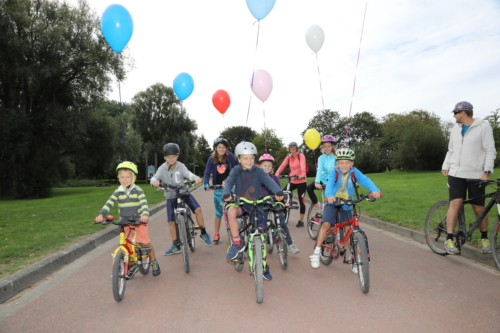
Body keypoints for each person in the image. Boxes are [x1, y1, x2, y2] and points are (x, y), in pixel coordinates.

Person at [309, 148, 381, 273]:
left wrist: (375, 190)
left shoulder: (354, 172)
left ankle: (354, 258)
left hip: (346, 203)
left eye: (347, 162)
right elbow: (330, 184)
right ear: (337, 163)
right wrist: (330, 195)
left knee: (348, 229)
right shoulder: (334, 171)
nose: (344, 165)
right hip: (332, 201)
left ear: (352, 163)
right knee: (326, 224)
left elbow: (365, 180)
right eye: (341, 162)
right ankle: (316, 252)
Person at [223, 142, 284, 281]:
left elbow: (269, 182)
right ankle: (237, 243)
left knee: (261, 236)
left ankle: (264, 266)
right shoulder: (235, 171)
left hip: (256, 206)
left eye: (251, 158)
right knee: (231, 211)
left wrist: (278, 191)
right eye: (245, 158)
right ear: (239, 159)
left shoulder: (259, 171)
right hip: (241, 204)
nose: (249, 161)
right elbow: (228, 183)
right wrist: (226, 193)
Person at [441, 101, 496, 254]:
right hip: (456, 174)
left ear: (463, 113)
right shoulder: (454, 130)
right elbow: (450, 150)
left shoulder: (483, 127)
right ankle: (449, 239)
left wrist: (487, 172)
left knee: (479, 208)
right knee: (456, 204)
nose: (454, 115)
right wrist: (446, 166)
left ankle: (485, 239)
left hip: (476, 175)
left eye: (455, 113)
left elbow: (490, 150)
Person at [95, 162, 161, 278]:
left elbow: (144, 204)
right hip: (124, 221)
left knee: (145, 242)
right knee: (127, 244)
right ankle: (132, 264)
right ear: (118, 178)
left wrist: (145, 214)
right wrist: (101, 214)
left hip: (139, 220)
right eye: (122, 177)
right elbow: (109, 203)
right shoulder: (118, 191)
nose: (124, 179)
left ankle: (154, 261)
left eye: (127, 176)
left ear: (133, 178)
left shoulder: (138, 190)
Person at [151, 143, 212, 255]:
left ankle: (203, 233)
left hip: (183, 192)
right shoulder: (162, 168)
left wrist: (196, 178)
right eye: (168, 157)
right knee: (170, 221)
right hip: (171, 195)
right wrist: (154, 181)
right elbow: (155, 177)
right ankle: (176, 244)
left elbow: (188, 174)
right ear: (164, 157)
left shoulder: (181, 166)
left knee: (198, 209)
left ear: (177, 156)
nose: (171, 159)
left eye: (174, 156)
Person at [258, 153, 300, 254]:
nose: (267, 167)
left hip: (274, 202)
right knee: (261, 223)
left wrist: (283, 206)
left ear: (272, 167)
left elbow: (279, 192)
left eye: (269, 165)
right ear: (260, 166)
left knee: (282, 223)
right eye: (265, 165)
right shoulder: (257, 178)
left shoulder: (274, 178)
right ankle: (259, 244)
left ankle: (290, 244)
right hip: (262, 203)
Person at [203, 138, 238, 245]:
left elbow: (237, 167)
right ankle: (217, 233)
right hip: (217, 188)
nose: (222, 149)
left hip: (230, 187)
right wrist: (206, 183)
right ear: (215, 148)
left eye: (223, 147)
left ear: (226, 148)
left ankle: (235, 232)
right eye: (219, 147)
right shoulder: (212, 158)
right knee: (218, 212)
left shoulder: (230, 156)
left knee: (233, 209)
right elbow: (207, 172)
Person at [275, 142, 307, 227]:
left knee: (302, 201)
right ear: (289, 149)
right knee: (283, 194)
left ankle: (301, 220)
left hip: (301, 181)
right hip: (292, 180)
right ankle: (284, 215)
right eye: (290, 147)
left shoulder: (301, 156)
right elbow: (282, 166)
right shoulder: (288, 158)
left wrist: (303, 175)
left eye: (294, 147)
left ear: (297, 148)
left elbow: (302, 165)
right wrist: (277, 174)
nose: (292, 148)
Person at [306, 135, 337, 209]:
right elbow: (319, 169)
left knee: (331, 200)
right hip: (323, 179)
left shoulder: (336, 157)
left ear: (332, 146)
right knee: (309, 187)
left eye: (328, 146)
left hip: (333, 180)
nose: (327, 148)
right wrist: (317, 182)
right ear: (322, 147)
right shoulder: (321, 158)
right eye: (324, 146)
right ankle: (317, 207)